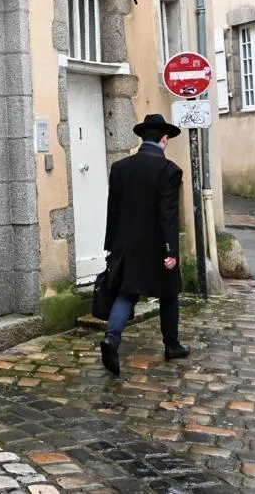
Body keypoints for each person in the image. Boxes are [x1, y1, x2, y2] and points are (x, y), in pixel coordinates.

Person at [100, 113, 189, 375]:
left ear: (142, 138)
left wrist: (111, 244)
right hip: (157, 245)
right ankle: (172, 344)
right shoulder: (170, 170)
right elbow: (168, 214)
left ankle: (111, 338)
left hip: (126, 244)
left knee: (127, 293)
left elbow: (113, 209)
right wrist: (171, 250)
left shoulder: (120, 167)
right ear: (164, 139)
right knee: (169, 294)